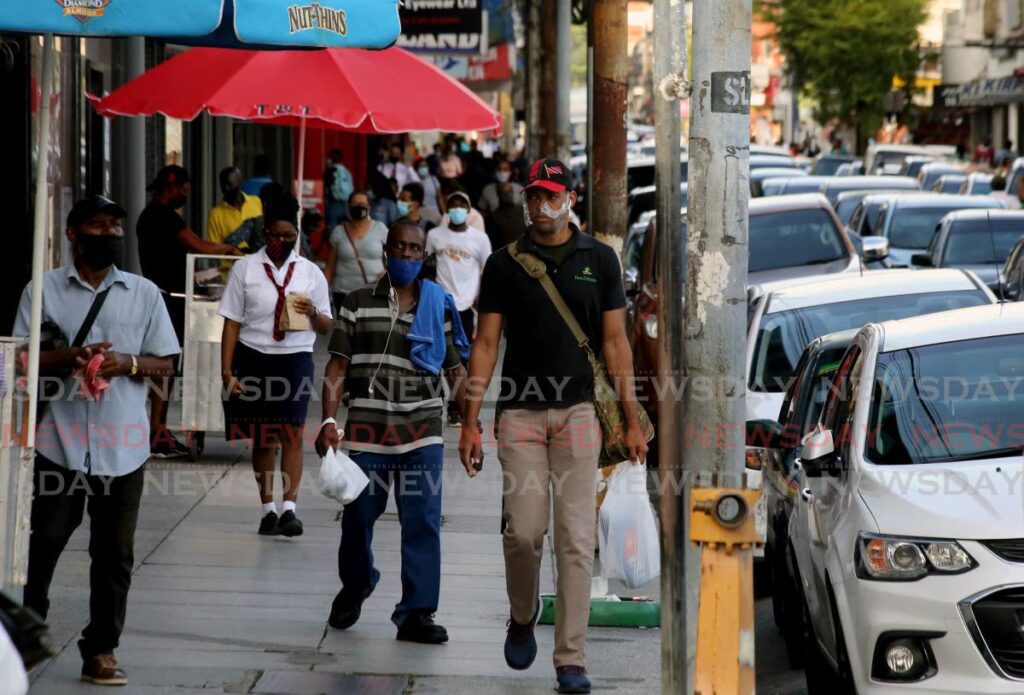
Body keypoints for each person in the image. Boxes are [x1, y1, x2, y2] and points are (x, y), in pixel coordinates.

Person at [458, 158, 648, 695]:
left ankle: (570, 658)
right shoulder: (504, 263)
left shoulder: (601, 260)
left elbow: (615, 344)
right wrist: (469, 423)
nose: (541, 206)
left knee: (575, 538)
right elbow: (486, 344)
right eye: (533, 196)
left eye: (550, 196)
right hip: (519, 413)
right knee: (523, 531)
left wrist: (632, 422)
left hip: (580, 415)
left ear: (570, 198)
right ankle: (523, 615)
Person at [17, 195, 180, 687]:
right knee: (44, 542)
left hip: (121, 443)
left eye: (114, 227)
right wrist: (72, 355)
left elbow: (165, 364)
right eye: (96, 225)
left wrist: (125, 363)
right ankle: (24, 634)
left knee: (114, 553)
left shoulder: (144, 293)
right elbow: (21, 358)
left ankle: (101, 649)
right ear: (72, 234)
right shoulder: (42, 289)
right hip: (57, 439)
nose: (107, 233)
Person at [316, 221, 469, 645]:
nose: (405, 255)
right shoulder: (356, 302)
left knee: (422, 521)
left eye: (414, 250)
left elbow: (455, 369)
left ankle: (417, 612)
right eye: (398, 248)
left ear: (424, 257)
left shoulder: (438, 305)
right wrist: (329, 421)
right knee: (358, 516)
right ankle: (358, 582)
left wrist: (471, 423)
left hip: (423, 431)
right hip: (368, 431)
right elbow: (337, 367)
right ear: (386, 252)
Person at [219, 195, 333, 538]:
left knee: (292, 432)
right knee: (263, 438)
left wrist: (312, 312)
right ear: (264, 233)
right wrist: (227, 373)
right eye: (273, 234)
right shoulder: (245, 268)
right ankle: (267, 509)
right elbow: (231, 324)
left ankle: (290, 510)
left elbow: (327, 326)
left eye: (287, 236)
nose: (279, 242)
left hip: (295, 358)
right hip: (253, 355)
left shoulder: (311, 273)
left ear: (296, 235)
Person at [136, 165, 241, 458]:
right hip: (167, 297)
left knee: (167, 364)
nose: (185, 194)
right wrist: (231, 250)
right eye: (184, 188)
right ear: (171, 183)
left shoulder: (151, 216)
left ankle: (158, 428)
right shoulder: (162, 216)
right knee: (165, 364)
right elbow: (199, 245)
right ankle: (156, 431)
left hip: (164, 294)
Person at [426, 190, 491, 426]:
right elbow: (425, 262)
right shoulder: (434, 235)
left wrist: (481, 297)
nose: (456, 209)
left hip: (465, 307)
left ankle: (457, 407)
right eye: (452, 205)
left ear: (468, 209)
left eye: (461, 205)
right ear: (447, 210)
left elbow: (488, 269)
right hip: (440, 303)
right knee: (437, 353)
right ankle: (440, 400)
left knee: (462, 359)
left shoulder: (479, 239)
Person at [325, 191, 389, 310]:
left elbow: (392, 256)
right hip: (343, 293)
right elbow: (330, 266)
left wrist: (387, 272)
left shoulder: (380, 229)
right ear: (349, 206)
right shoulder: (339, 231)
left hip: (373, 292)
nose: (359, 207)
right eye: (355, 203)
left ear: (369, 207)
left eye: (362, 203)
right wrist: (323, 290)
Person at [207, 166, 264, 251]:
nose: (226, 188)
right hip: (230, 263)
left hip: (256, 260)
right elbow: (214, 248)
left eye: (230, 184)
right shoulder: (215, 214)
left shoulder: (256, 202)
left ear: (240, 182)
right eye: (223, 185)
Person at [485, 182, 528, 250]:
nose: (507, 194)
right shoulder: (492, 217)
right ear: (498, 194)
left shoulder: (524, 212)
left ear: (513, 192)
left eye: (509, 191)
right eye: (503, 192)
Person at [324, 149, 355, 231]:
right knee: (347, 230)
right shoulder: (347, 172)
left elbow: (326, 188)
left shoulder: (330, 171)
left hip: (333, 205)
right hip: (346, 205)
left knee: (332, 231)